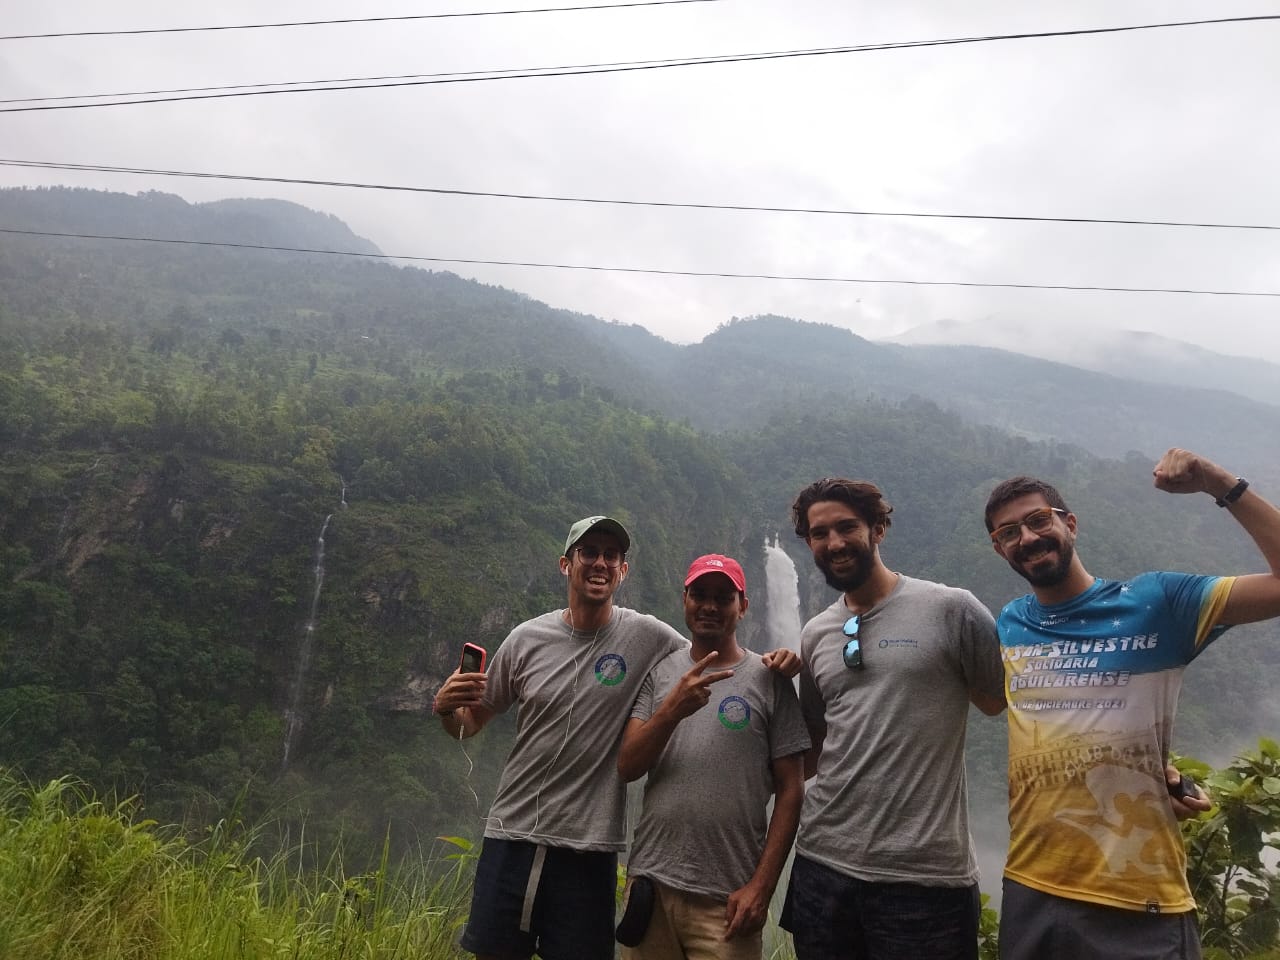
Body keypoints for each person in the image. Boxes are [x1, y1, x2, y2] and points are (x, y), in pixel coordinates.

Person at [433, 517, 800, 960]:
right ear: (565, 564)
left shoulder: (649, 637)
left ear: (623, 571)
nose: (600, 563)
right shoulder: (526, 639)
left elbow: (710, 647)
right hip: (512, 835)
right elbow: (468, 724)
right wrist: (445, 709)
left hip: (590, 849)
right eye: (589, 553)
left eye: (612, 556)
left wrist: (776, 660)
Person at [983, 448, 1280, 960]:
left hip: (1138, 900)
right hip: (1030, 887)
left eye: (1037, 521)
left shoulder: (1159, 602)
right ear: (999, 550)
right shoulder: (1010, 622)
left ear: (1069, 523)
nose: (1027, 537)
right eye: (1008, 533)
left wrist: (1219, 483)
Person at [779, 478, 1007, 960]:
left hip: (924, 879)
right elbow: (814, 745)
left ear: (878, 528)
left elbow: (1010, 703)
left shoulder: (952, 610)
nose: (835, 543)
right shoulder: (817, 632)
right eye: (821, 533)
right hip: (821, 865)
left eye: (847, 527)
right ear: (809, 543)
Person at [617, 554, 810, 960]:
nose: (709, 605)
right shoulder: (660, 673)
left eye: (723, 597)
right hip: (651, 889)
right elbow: (627, 766)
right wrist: (672, 710)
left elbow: (792, 788)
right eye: (700, 594)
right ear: (684, 599)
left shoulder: (770, 679)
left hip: (728, 903)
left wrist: (762, 886)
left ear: (743, 606)